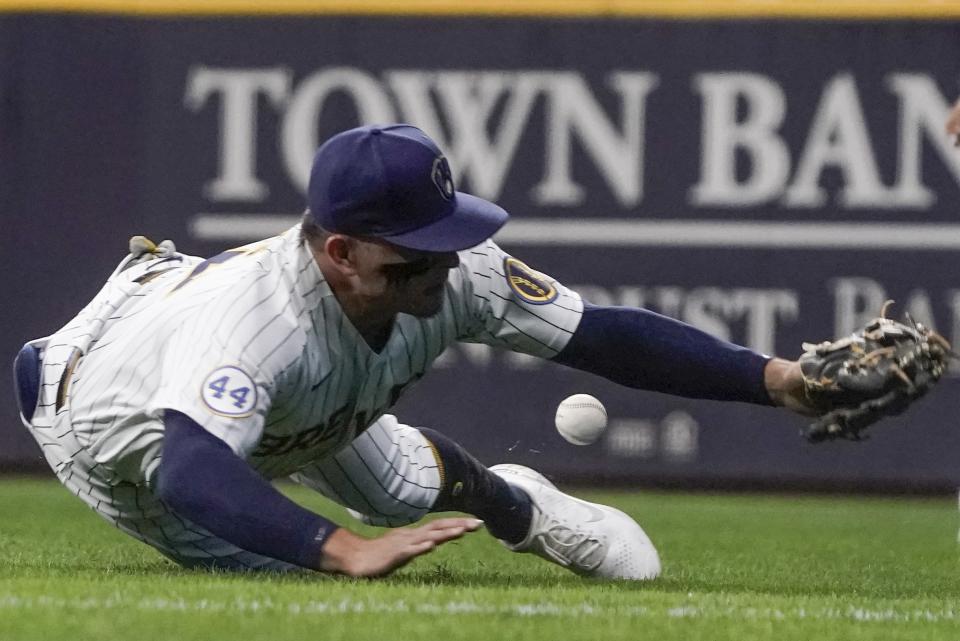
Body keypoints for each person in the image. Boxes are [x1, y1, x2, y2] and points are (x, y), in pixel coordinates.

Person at [13, 124, 812, 580]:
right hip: (107, 420)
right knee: (287, 571)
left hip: (230, 355)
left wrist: (776, 379)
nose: (442, 267)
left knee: (396, 489)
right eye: (413, 253)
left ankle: (522, 508)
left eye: (447, 238)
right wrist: (341, 547)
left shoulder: (445, 268)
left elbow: (600, 334)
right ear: (340, 253)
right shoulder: (258, 328)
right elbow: (189, 469)